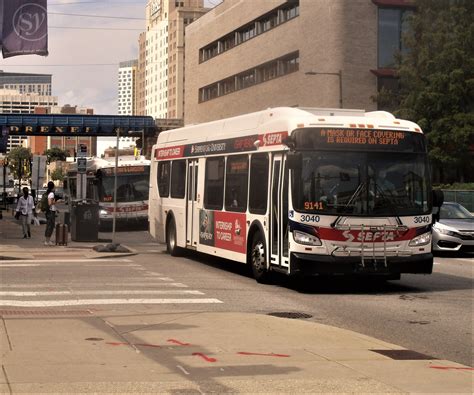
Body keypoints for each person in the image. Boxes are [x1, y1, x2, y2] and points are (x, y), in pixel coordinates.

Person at [44, 181, 59, 246]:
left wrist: (56, 209)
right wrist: (57, 201)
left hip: (50, 211)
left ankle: (48, 240)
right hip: (50, 212)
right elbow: (50, 203)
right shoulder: (51, 194)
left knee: (50, 226)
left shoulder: (48, 193)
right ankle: (47, 241)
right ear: (53, 187)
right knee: (50, 226)